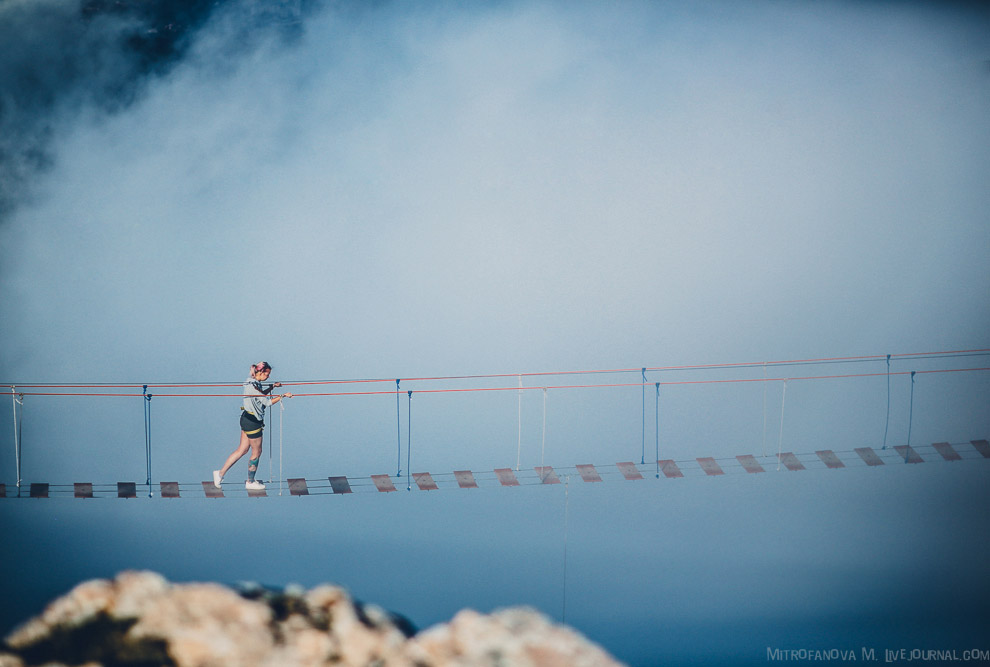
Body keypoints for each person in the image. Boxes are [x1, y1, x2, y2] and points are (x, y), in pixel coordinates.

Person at [213, 362, 292, 490]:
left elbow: (260, 396)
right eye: (267, 374)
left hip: (246, 418)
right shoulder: (253, 387)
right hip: (253, 423)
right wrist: (283, 396)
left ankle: (220, 474)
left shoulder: (252, 382)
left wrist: (272, 387)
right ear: (260, 373)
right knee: (257, 452)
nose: (268, 376)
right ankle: (250, 482)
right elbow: (267, 402)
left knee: (242, 450)